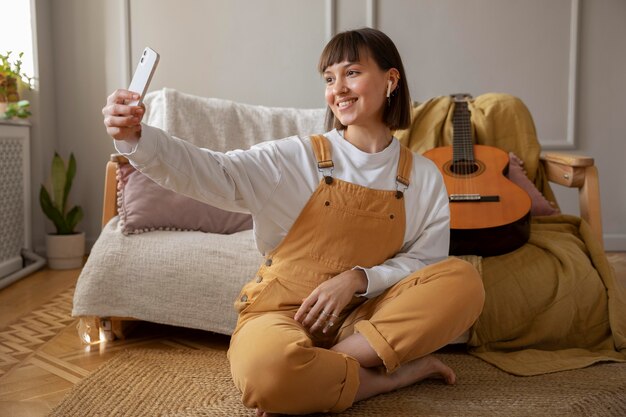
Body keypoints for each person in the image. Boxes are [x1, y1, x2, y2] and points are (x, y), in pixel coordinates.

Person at [103, 28, 485, 416]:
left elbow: (426, 262)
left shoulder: (423, 176)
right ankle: (390, 377)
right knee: (266, 371)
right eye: (330, 78)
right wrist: (138, 138)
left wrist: (358, 278)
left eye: (352, 72)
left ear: (391, 80)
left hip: (364, 319)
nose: (339, 89)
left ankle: (318, 371)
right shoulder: (296, 157)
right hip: (284, 316)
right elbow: (214, 172)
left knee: (463, 281)